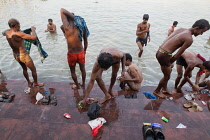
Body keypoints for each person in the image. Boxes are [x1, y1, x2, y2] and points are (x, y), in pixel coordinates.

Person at [153, 19, 210, 98]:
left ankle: (165, 89)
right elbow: (177, 55)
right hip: (165, 55)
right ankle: (157, 91)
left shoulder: (182, 29)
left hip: (160, 51)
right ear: (196, 28)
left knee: (169, 71)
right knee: (167, 76)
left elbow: (168, 40)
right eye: (202, 32)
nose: (201, 34)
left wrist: (170, 61)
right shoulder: (189, 39)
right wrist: (170, 62)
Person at [2, 18, 44, 87]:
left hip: (16, 55)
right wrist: (33, 29)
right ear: (15, 25)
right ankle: (36, 83)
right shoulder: (19, 34)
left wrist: (10, 29)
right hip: (23, 55)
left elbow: (3, 32)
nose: (19, 26)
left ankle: (29, 82)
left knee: (24, 69)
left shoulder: (7, 33)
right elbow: (33, 37)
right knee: (33, 69)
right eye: (18, 25)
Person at [60, 8, 89, 89]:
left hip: (71, 54)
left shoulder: (67, 28)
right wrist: (85, 51)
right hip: (81, 52)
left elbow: (62, 10)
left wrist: (62, 29)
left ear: (68, 20)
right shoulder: (81, 28)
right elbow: (86, 41)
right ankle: (83, 84)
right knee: (83, 69)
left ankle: (77, 85)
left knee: (73, 71)